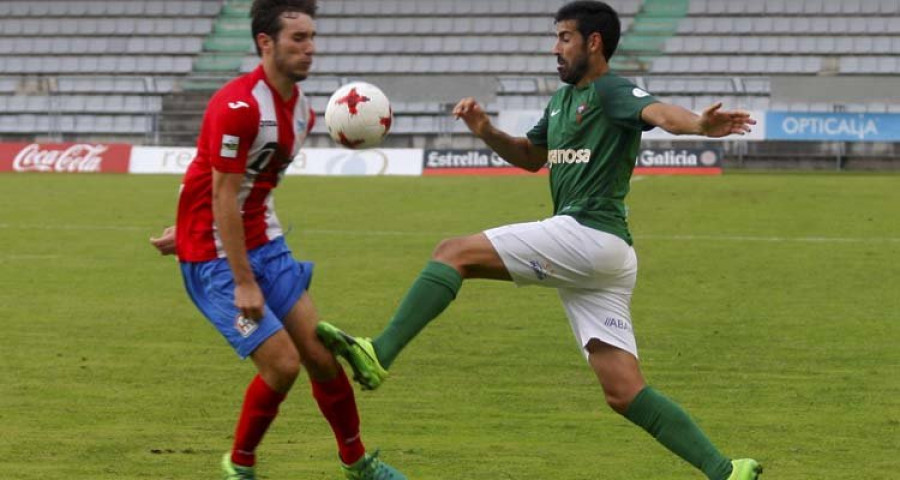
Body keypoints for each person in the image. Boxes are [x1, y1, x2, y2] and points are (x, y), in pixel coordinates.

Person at [315, 1, 762, 479]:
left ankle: (379, 355)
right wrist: (486, 131)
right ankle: (724, 470)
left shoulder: (611, 90)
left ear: (593, 42)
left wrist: (698, 124)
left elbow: (658, 111)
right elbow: (531, 157)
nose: (556, 48)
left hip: (589, 233)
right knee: (624, 392)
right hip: (604, 255)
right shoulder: (561, 101)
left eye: (565, 37)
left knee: (453, 252)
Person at [148, 1, 405, 479]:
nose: (310, 49)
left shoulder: (305, 111)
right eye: (298, 40)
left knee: (321, 358)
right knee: (283, 365)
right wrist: (232, 272)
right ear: (266, 43)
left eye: (311, 38)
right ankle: (240, 465)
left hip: (265, 242)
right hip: (219, 257)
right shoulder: (238, 106)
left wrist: (184, 224)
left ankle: (357, 463)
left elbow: (246, 185)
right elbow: (224, 193)